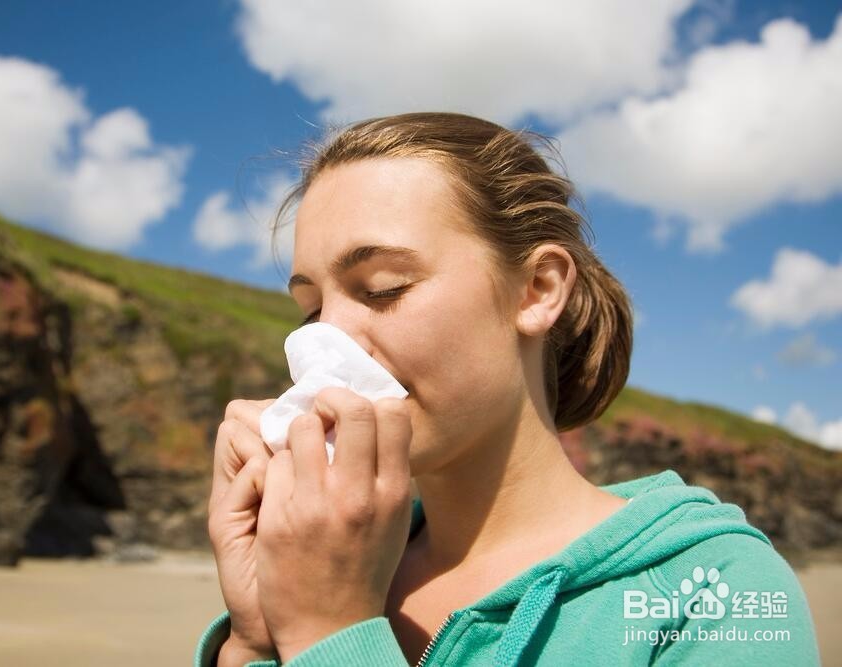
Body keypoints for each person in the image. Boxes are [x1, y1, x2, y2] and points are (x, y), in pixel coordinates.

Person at [195, 112, 820, 666]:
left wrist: (333, 634)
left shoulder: (715, 594)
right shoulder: (320, 567)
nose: (325, 344)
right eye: (310, 312)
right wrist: (254, 642)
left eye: (382, 286)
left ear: (538, 289)